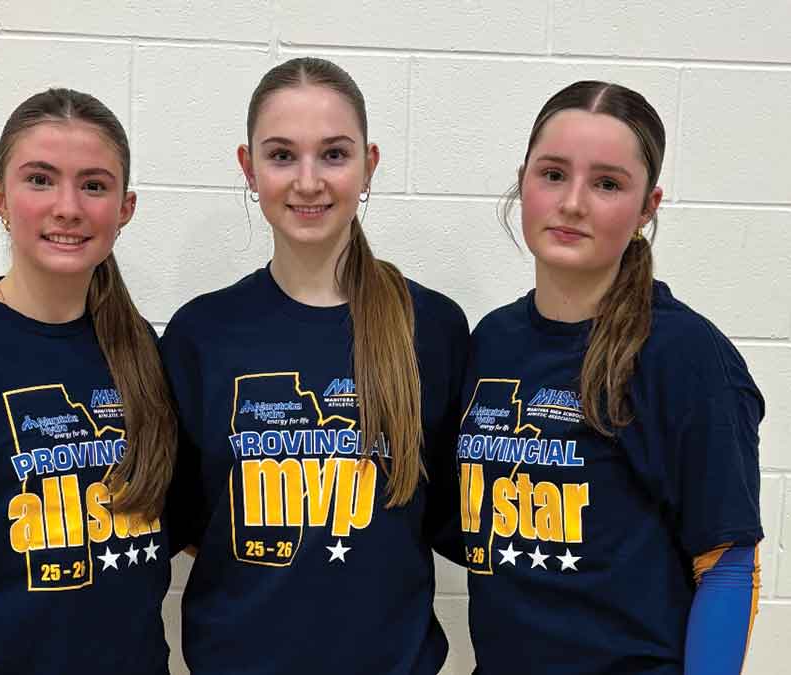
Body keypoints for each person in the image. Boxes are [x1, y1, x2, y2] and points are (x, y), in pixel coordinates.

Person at [160, 57, 468, 674]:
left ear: (369, 165)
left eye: (333, 154)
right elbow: (193, 517)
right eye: (281, 156)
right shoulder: (202, 333)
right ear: (248, 168)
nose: (308, 181)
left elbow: (443, 516)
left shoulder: (432, 329)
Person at [458, 80, 763, 674]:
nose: (572, 203)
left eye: (606, 184)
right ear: (523, 180)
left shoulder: (685, 355)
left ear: (648, 206)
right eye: (552, 174)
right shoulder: (492, 342)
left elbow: (727, 568)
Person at [0, 88, 177, 675]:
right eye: (40, 179)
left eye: (94, 185)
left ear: (125, 208)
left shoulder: (142, 348)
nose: (68, 207)